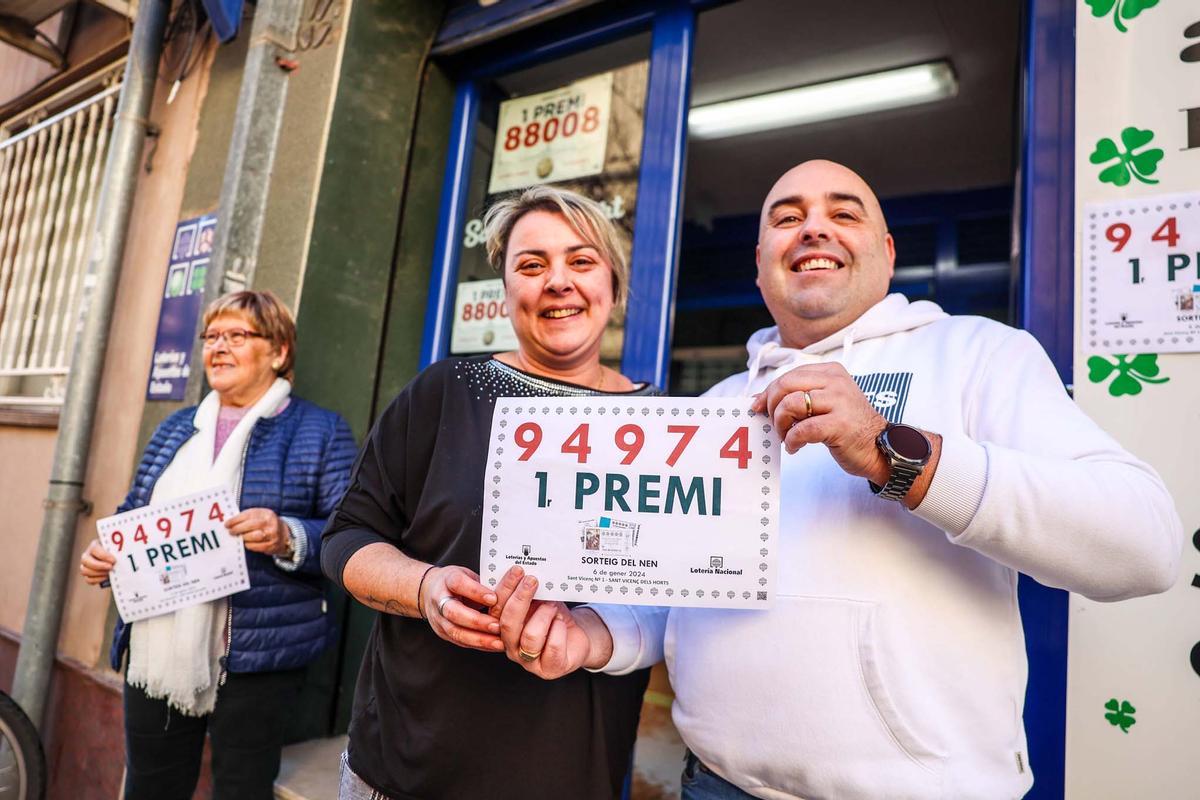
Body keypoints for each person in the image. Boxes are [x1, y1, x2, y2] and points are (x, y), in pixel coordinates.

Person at [494, 160, 1184, 799]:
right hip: (717, 785)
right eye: (786, 217)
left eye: (843, 213)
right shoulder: (714, 407)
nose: (814, 227)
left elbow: (1146, 546)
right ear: (760, 265)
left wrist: (897, 455)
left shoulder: (981, 355)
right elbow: (675, 597)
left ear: (887, 254)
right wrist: (595, 636)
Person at [321, 186, 657, 800]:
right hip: (402, 772)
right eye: (531, 266)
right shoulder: (446, 391)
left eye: (581, 262)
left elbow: (680, 605)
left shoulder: (665, 428)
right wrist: (424, 589)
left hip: (570, 778)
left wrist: (590, 633)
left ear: (614, 283)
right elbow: (346, 538)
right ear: (506, 294)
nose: (558, 281)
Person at [79, 290, 357, 800]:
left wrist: (287, 535)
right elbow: (134, 514)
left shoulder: (319, 431)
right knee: (151, 786)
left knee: (241, 789)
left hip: (255, 652)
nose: (218, 348)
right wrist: (105, 554)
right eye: (211, 336)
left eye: (237, 335)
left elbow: (349, 536)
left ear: (278, 352)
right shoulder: (175, 429)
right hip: (154, 647)